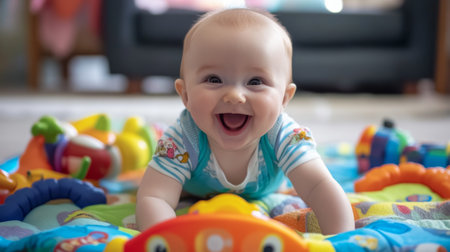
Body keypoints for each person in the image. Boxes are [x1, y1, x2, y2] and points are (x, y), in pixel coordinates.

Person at [136, 8, 354, 235]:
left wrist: (340, 239)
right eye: (214, 79)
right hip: (194, 192)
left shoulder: (284, 135)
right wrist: (166, 241)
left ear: (284, 99)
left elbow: (320, 187)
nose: (234, 95)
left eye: (255, 81)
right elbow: (154, 196)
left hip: (266, 188)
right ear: (186, 95)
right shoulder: (183, 138)